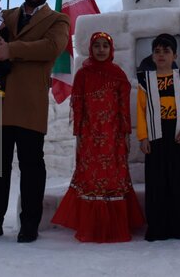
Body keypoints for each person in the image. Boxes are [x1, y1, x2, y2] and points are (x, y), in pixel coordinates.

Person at [0, 0, 70, 243]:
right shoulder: (3, 16)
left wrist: (11, 49)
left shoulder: (59, 20)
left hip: (30, 102)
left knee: (31, 166)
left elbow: (51, 47)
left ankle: (29, 223)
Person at [52, 32, 145, 242]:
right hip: (90, 136)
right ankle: (91, 225)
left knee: (113, 176)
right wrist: (79, 133)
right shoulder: (83, 74)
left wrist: (125, 133)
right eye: (97, 46)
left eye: (105, 46)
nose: (101, 50)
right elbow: (78, 106)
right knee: (91, 176)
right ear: (90, 49)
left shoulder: (117, 74)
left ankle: (115, 226)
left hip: (113, 136)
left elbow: (123, 107)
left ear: (111, 50)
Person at [136, 33, 180, 241]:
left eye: (166, 51)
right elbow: (141, 110)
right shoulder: (145, 80)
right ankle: (158, 228)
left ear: (175, 55)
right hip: (155, 138)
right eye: (157, 51)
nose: (161, 55)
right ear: (152, 56)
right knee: (157, 183)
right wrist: (143, 137)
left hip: (178, 137)